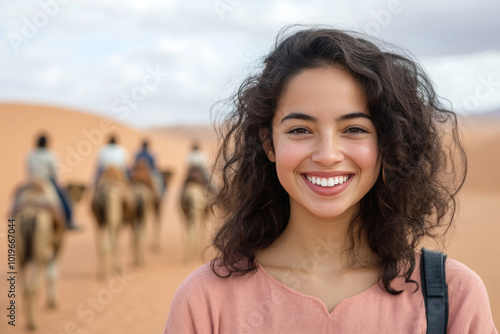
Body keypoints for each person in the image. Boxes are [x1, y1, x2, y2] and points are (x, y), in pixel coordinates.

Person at [163, 27, 497, 333]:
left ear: (387, 142)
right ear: (269, 144)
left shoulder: (453, 297)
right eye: (299, 130)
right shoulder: (205, 300)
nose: (327, 154)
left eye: (354, 129)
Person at [26, 134, 77, 229]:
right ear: (47, 143)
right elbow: (55, 173)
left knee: (17, 197)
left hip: (32, 182)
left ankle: (11, 219)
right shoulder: (50, 155)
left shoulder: (30, 154)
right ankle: (69, 221)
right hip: (47, 181)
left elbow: (28, 170)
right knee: (64, 199)